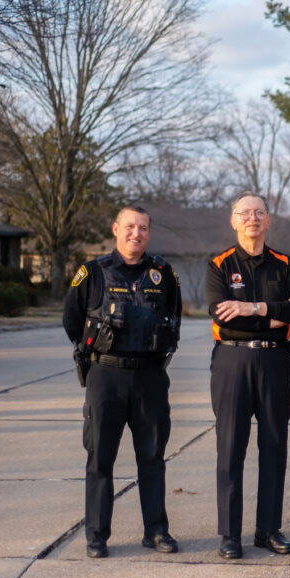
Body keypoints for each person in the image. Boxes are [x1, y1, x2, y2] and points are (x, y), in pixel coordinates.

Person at [63, 206, 181, 559]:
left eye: (143, 227)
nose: (136, 233)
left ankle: (156, 531)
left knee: (153, 457)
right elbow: (72, 320)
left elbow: (173, 318)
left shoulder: (163, 273)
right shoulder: (93, 272)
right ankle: (96, 535)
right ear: (115, 229)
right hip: (106, 377)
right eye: (130, 226)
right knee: (100, 458)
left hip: (150, 377)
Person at [207, 192, 290, 559]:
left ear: (268, 221)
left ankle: (268, 529)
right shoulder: (219, 264)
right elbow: (222, 317)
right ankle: (229, 535)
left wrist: (252, 308)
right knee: (231, 449)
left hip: (275, 364)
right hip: (232, 364)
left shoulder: (283, 264)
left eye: (259, 213)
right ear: (233, 221)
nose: (252, 219)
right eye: (244, 213)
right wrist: (274, 318)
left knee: (273, 447)